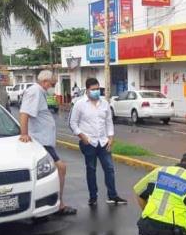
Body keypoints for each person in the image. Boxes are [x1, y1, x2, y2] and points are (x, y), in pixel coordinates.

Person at [19, 70, 77, 216]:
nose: (53, 86)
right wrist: (24, 134)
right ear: (45, 82)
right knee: (60, 168)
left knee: (55, 171)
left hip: (44, 140)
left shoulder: (40, 92)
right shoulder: (35, 92)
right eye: (53, 83)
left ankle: (54, 203)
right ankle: (58, 204)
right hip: (40, 141)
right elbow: (24, 113)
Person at [69, 77, 127, 207]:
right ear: (87, 90)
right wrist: (83, 137)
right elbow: (73, 123)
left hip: (103, 142)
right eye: (93, 89)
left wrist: (111, 138)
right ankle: (93, 197)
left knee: (109, 168)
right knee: (91, 169)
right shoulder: (79, 104)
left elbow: (108, 122)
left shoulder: (104, 103)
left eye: (98, 89)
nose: (96, 92)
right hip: (89, 142)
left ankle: (112, 196)